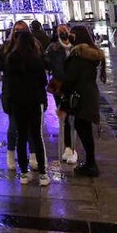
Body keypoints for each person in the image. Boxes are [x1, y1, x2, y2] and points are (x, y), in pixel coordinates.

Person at [4, 29, 50, 186]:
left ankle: (23, 173)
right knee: (36, 136)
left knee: (21, 137)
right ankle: (43, 174)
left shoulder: (11, 59)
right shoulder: (36, 60)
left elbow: (8, 83)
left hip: (18, 103)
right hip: (33, 102)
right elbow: (44, 82)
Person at [60, 26, 106, 177]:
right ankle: (90, 162)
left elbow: (71, 78)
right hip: (89, 94)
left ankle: (91, 165)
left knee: (83, 128)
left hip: (81, 96)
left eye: (72, 35)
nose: (70, 38)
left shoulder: (79, 55)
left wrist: (62, 90)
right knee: (84, 128)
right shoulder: (90, 55)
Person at [0, 21, 37, 171]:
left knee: (31, 127)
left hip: (29, 91)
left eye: (21, 30)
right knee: (13, 127)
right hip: (11, 91)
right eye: (16, 30)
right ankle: (10, 153)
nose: (18, 33)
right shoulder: (7, 46)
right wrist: (8, 66)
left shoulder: (33, 45)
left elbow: (40, 63)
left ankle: (32, 155)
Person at [44, 23, 76, 165]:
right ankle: (67, 147)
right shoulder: (53, 47)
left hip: (74, 85)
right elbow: (46, 62)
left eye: (65, 30)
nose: (63, 33)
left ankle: (71, 147)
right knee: (64, 115)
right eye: (60, 31)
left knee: (73, 117)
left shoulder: (76, 46)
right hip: (59, 86)